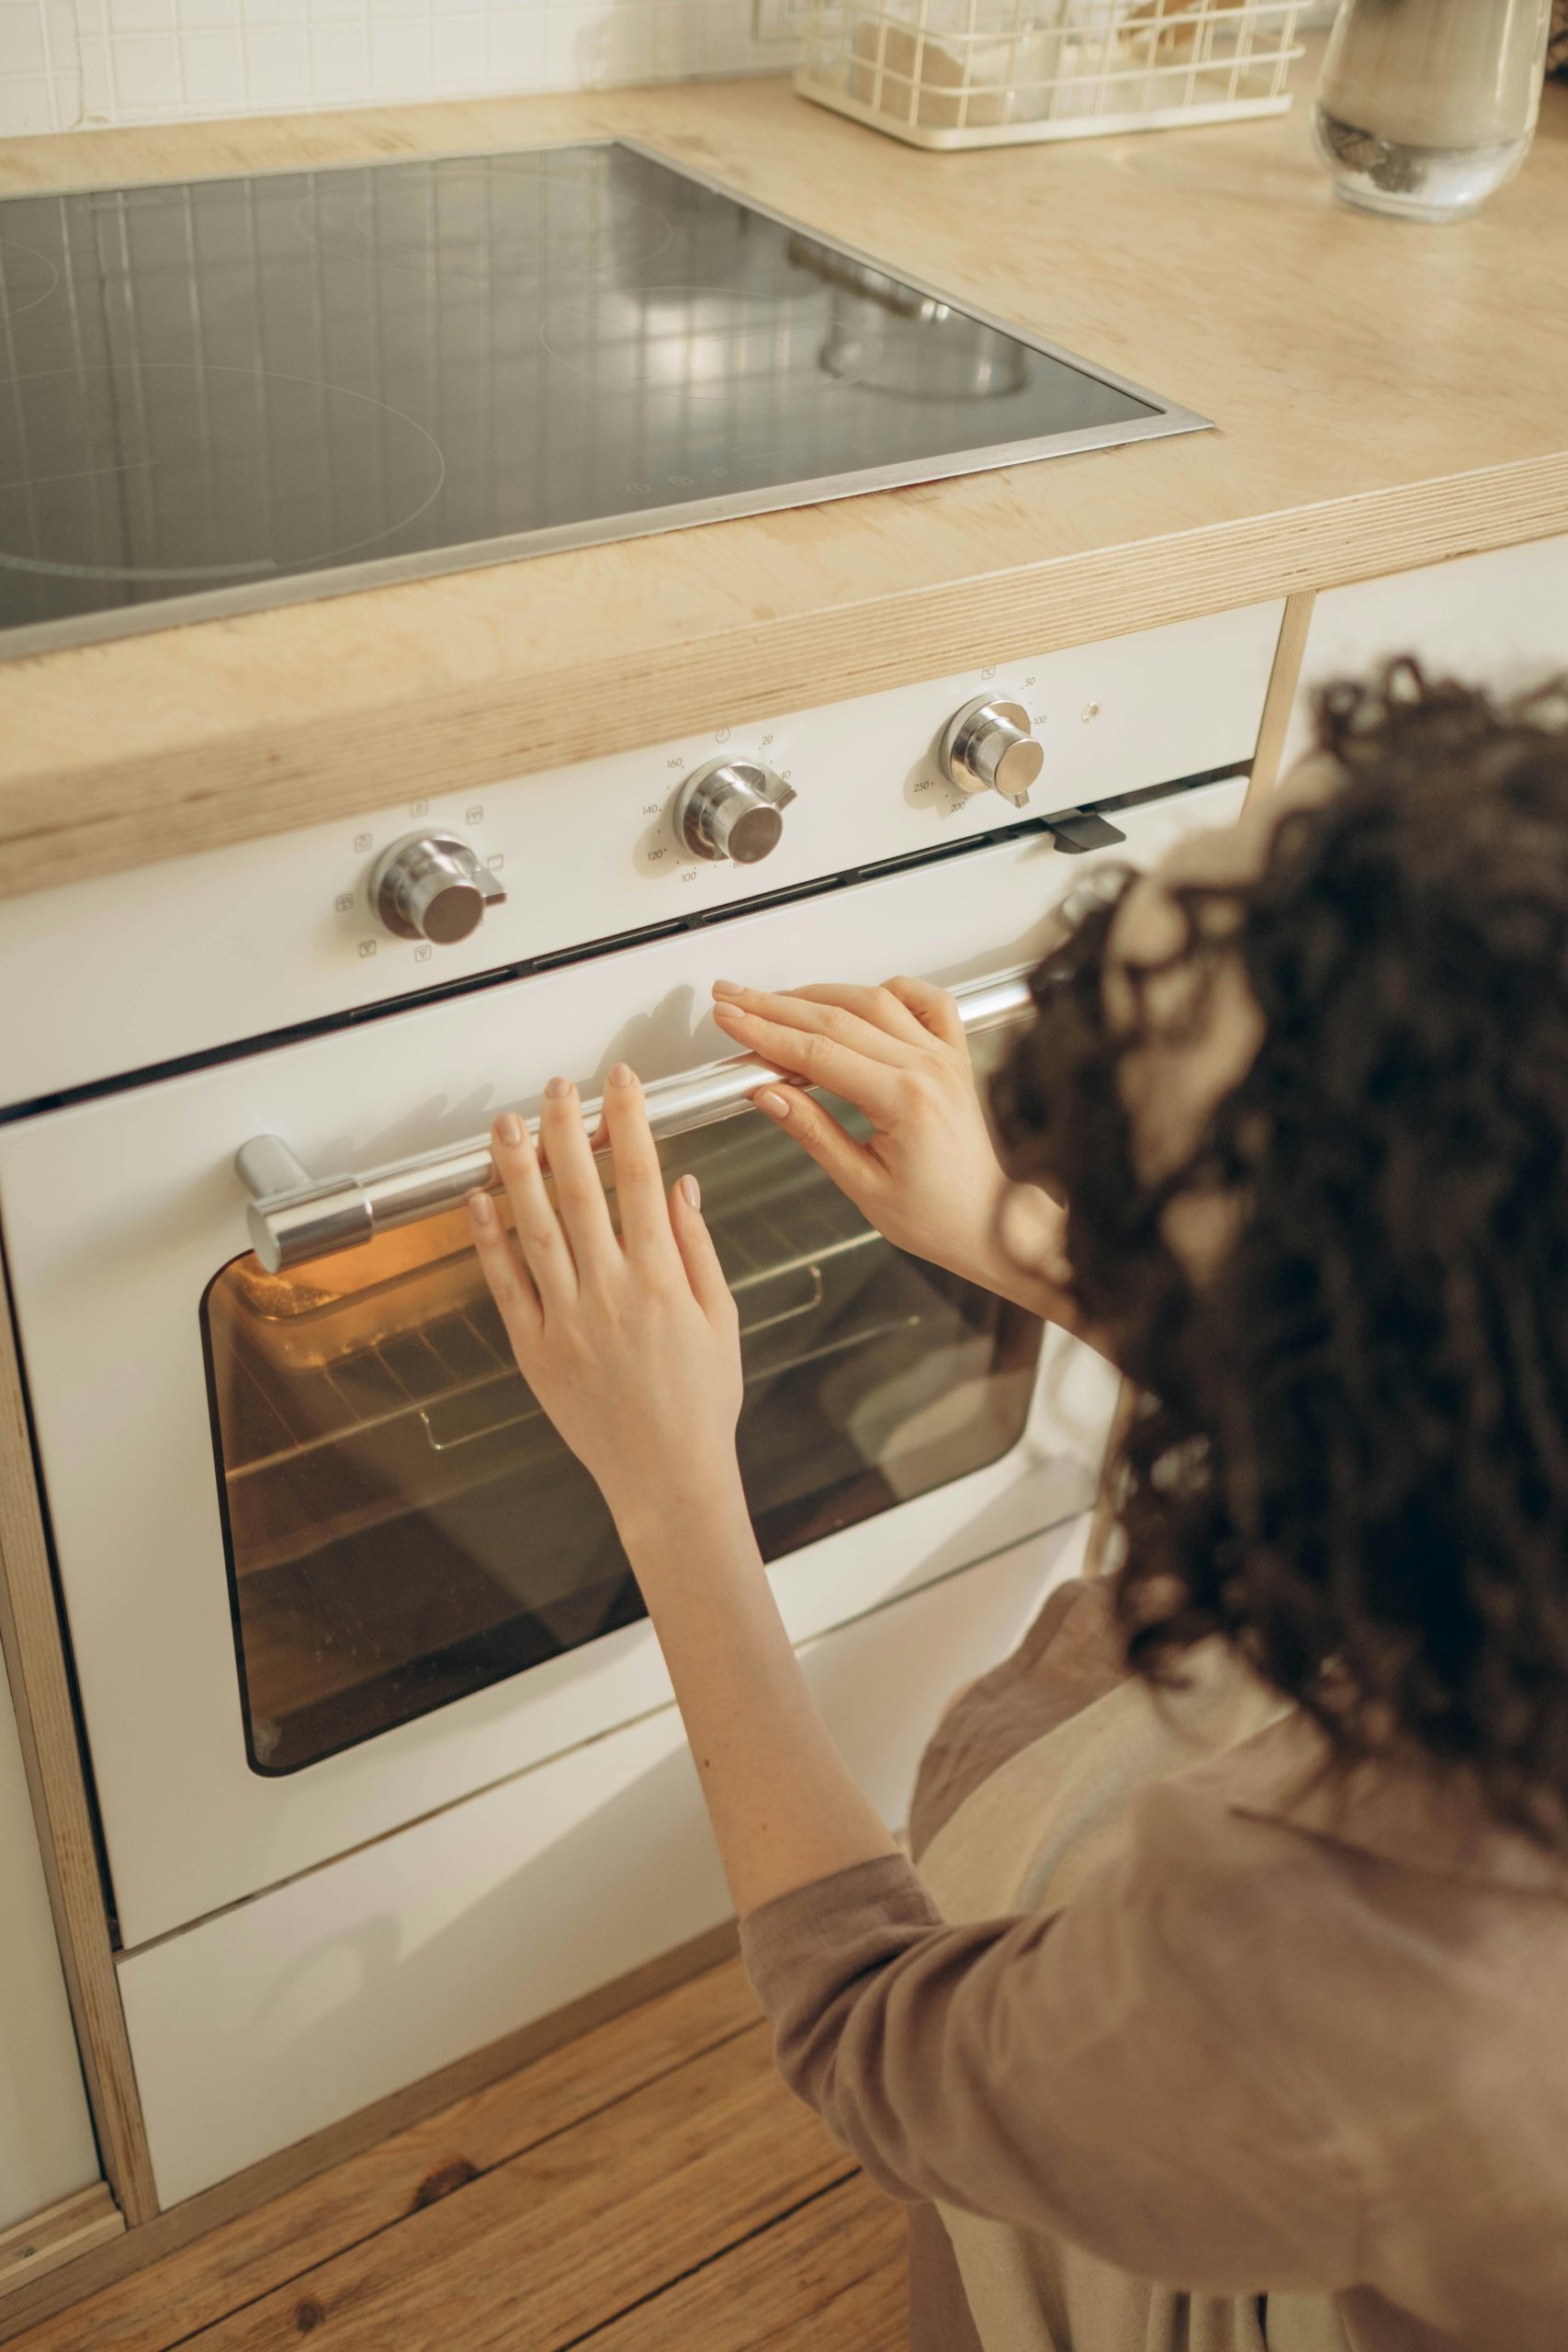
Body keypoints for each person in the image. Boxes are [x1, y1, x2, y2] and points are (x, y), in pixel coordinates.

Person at [466, 664, 1568, 2352]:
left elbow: (869, 2031)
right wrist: (1012, 1232)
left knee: (1052, 1839)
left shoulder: (1365, 1958)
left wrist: (675, 1486)